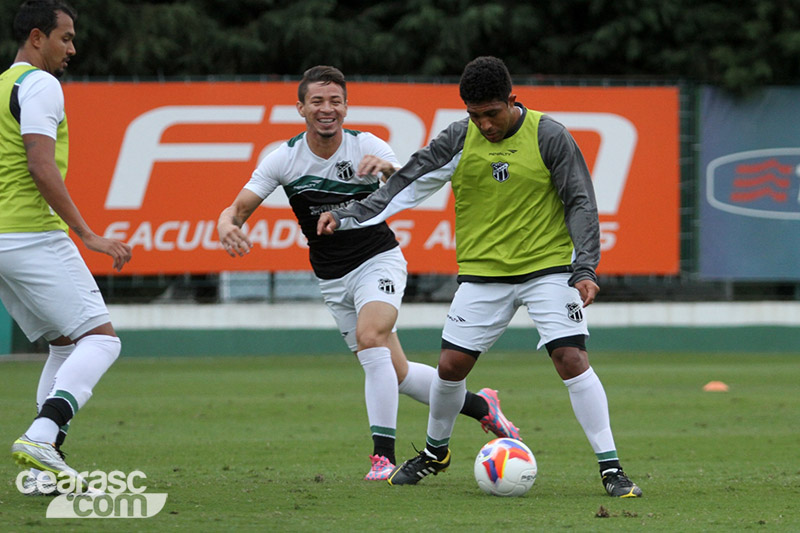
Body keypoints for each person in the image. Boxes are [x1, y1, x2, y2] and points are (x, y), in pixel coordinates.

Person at [318, 56, 642, 497]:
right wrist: (352, 213)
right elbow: (407, 182)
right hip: (483, 274)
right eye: (475, 114)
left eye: (492, 113)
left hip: (547, 269)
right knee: (450, 367)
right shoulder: (458, 137)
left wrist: (585, 267)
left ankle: (611, 469)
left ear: (512, 100)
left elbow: (580, 203)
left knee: (571, 358)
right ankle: (436, 453)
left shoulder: (549, 136)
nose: (485, 124)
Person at [217, 65, 520, 481]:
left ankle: (383, 458)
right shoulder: (283, 159)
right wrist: (227, 224)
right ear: (301, 108)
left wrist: (387, 171)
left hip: (379, 260)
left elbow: (412, 185)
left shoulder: (367, 146)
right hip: (332, 278)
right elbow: (237, 209)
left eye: (335, 101)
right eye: (318, 101)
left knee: (371, 337)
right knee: (395, 374)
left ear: (346, 107)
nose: (328, 109)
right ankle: (482, 406)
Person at [2, 0, 132, 493]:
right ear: (37, 37)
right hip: (31, 232)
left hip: (3, 240)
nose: (72, 48)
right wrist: (88, 233)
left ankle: (42, 468)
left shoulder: (1, 87)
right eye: (65, 38)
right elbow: (40, 164)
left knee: (64, 344)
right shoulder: (40, 84)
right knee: (102, 340)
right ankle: (41, 434)